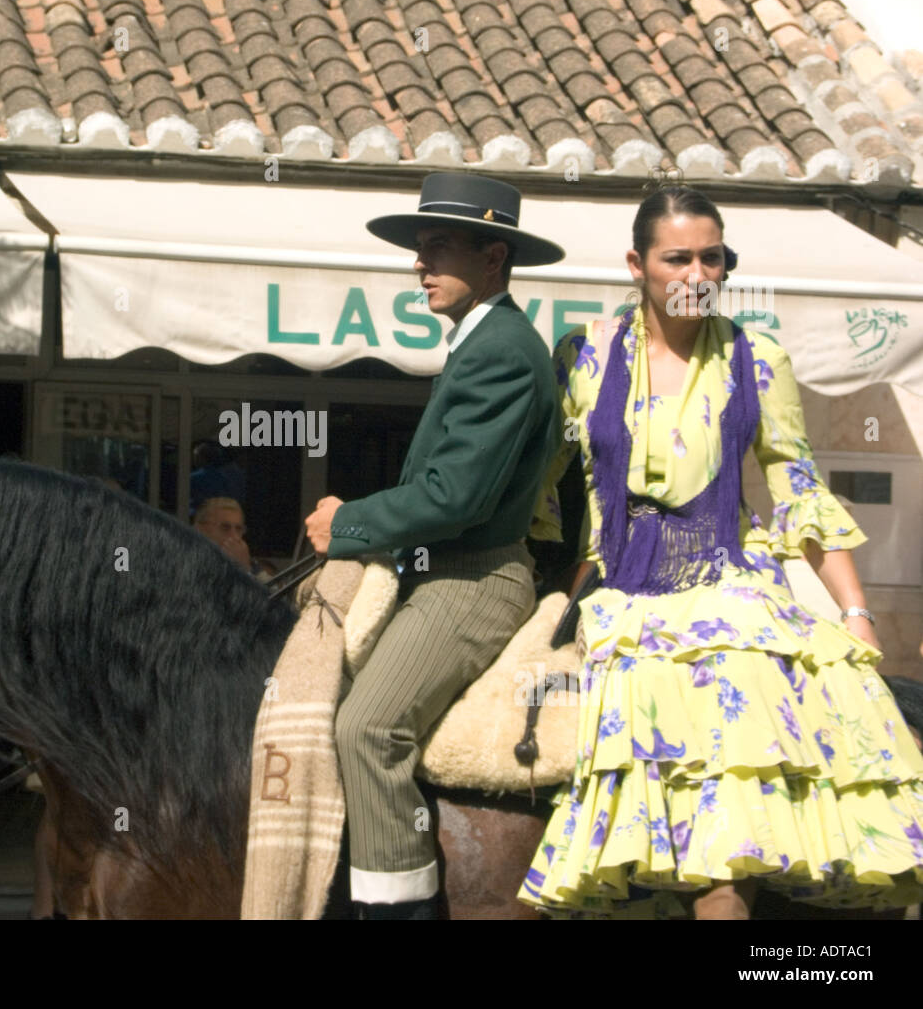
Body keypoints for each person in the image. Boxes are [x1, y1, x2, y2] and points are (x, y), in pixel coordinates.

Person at [519, 185, 923, 919]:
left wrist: (857, 611)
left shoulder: (756, 355)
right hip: (612, 591)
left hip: (728, 591)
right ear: (637, 265)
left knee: (727, 845)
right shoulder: (582, 355)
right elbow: (535, 485)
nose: (697, 275)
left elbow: (796, 485)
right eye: (678, 259)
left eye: (712, 259)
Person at [303, 173, 563, 919]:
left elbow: (456, 498)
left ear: (494, 259)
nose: (421, 265)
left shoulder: (503, 351)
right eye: (421, 250)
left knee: (368, 727)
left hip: (472, 579)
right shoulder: (481, 342)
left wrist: (348, 522)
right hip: (443, 572)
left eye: (439, 249)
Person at [193, 497, 274, 581]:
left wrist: (245, 569)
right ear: (200, 530)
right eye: (225, 527)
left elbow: (273, 593)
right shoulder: (186, 563)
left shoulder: (252, 566)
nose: (234, 536)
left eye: (239, 529)